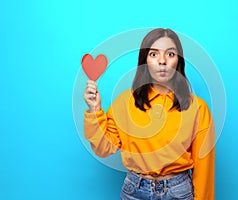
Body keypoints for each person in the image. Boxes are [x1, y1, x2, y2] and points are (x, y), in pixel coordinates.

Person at [84, 28, 215, 200]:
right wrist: (95, 110)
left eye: (170, 54)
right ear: (144, 60)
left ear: (179, 61)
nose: (162, 61)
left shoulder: (197, 108)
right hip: (134, 191)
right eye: (154, 54)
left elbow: (204, 166)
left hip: (179, 192)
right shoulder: (125, 102)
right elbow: (103, 148)